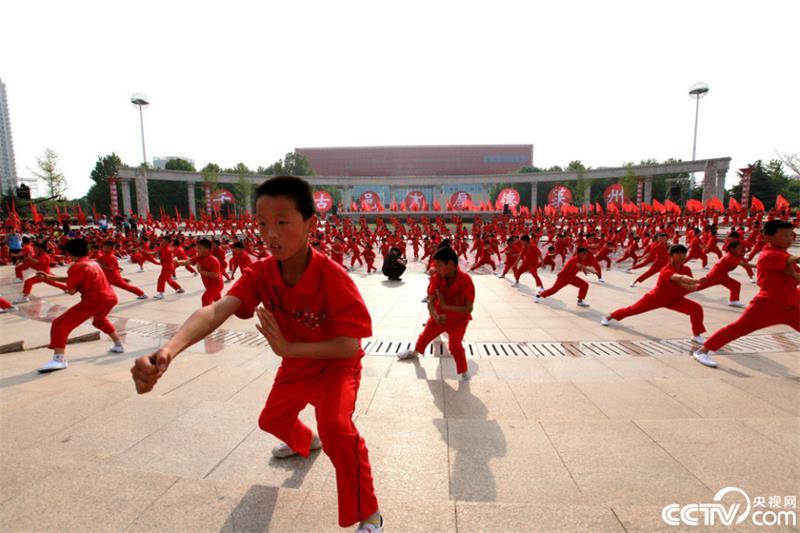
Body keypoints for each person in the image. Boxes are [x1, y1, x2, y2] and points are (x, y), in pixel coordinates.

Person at [130, 176, 383, 533]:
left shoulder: (334, 278)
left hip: (335, 368)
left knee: (337, 429)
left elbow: (350, 346)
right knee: (272, 421)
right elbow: (216, 310)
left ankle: (369, 514)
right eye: (263, 224)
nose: (271, 234)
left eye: (283, 222)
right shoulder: (261, 273)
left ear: (311, 224)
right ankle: (306, 441)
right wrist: (169, 350)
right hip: (295, 366)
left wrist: (290, 348)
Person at [693, 220, 800, 368]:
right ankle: (702, 351)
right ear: (767, 237)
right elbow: (792, 260)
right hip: (767, 305)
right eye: (785, 235)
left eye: (791, 235)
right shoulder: (769, 254)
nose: (789, 239)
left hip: (791, 306)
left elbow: (795, 274)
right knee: (737, 329)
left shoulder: (784, 254)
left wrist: (794, 273)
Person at [36, 238, 124, 373]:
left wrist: (65, 284)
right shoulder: (92, 263)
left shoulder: (76, 267)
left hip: (94, 300)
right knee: (99, 321)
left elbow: (71, 290)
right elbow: (77, 278)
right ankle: (118, 345)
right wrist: (49, 277)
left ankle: (58, 360)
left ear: (69, 252)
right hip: (110, 297)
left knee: (60, 324)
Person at [601, 244, 707, 344]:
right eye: (679, 254)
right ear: (670, 255)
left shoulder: (686, 269)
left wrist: (686, 284)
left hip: (675, 299)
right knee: (632, 310)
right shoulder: (666, 270)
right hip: (655, 298)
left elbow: (692, 287)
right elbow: (681, 278)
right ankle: (608, 317)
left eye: (684, 254)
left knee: (696, 308)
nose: (682, 256)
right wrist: (696, 280)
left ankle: (696, 335)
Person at [398, 246, 475, 380]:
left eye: (438, 265)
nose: (435, 268)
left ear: (450, 264)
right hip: (439, 317)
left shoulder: (465, 280)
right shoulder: (437, 278)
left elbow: (468, 308)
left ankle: (464, 372)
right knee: (426, 335)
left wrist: (446, 306)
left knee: (455, 346)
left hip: (458, 321)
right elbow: (430, 301)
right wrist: (436, 316)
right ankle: (414, 352)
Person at [695, 241, 754, 307]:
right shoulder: (729, 257)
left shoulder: (734, 255)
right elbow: (744, 264)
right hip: (715, 276)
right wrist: (758, 266)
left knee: (735, 285)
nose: (741, 249)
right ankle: (682, 291)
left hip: (722, 276)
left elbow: (742, 259)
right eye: (739, 248)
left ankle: (733, 301)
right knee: (697, 287)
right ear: (732, 249)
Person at [176, 238, 223, 307]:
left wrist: (201, 271)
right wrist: (176, 262)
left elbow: (215, 275)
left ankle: (205, 317)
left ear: (207, 249)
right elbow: (186, 262)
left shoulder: (213, 260)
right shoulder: (198, 257)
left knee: (206, 299)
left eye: (199, 248)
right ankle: (227, 310)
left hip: (216, 285)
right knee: (218, 301)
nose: (196, 249)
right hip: (208, 285)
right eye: (197, 247)